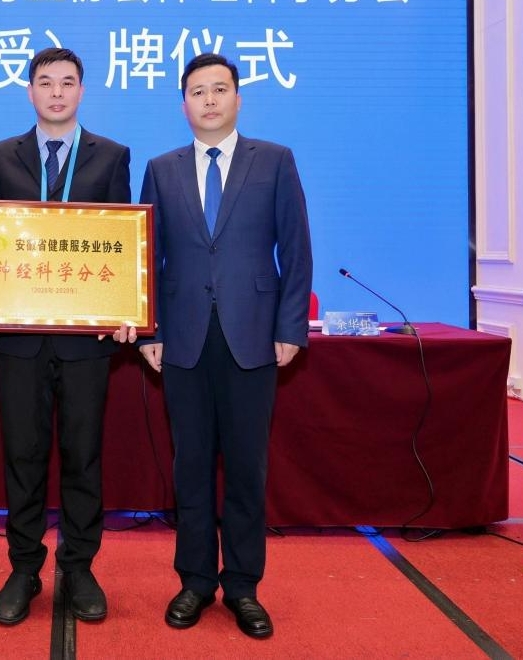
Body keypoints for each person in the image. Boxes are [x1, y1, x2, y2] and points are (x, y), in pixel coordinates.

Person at [0, 47, 133, 625]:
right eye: (45, 82)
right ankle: (24, 568)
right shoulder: (2, 155)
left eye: (67, 82)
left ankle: (78, 567)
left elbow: (123, 243)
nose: (56, 92)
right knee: (22, 457)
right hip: (19, 338)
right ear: (29, 91)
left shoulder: (112, 156)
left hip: (85, 342)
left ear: (82, 91)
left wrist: (129, 305)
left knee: (83, 457)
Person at [137, 52, 312, 640]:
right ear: (183, 103)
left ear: (238, 98)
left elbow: (296, 249)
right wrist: (151, 330)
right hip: (183, 339)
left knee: (245, 468)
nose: (209, 100)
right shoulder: (161, 169)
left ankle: (242, 586)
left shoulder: (275, 160)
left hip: (253, 336)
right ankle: (194, 581)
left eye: (219, 89)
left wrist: (291, 327)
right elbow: (149, 257)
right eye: (197, 91)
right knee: (190, 467)